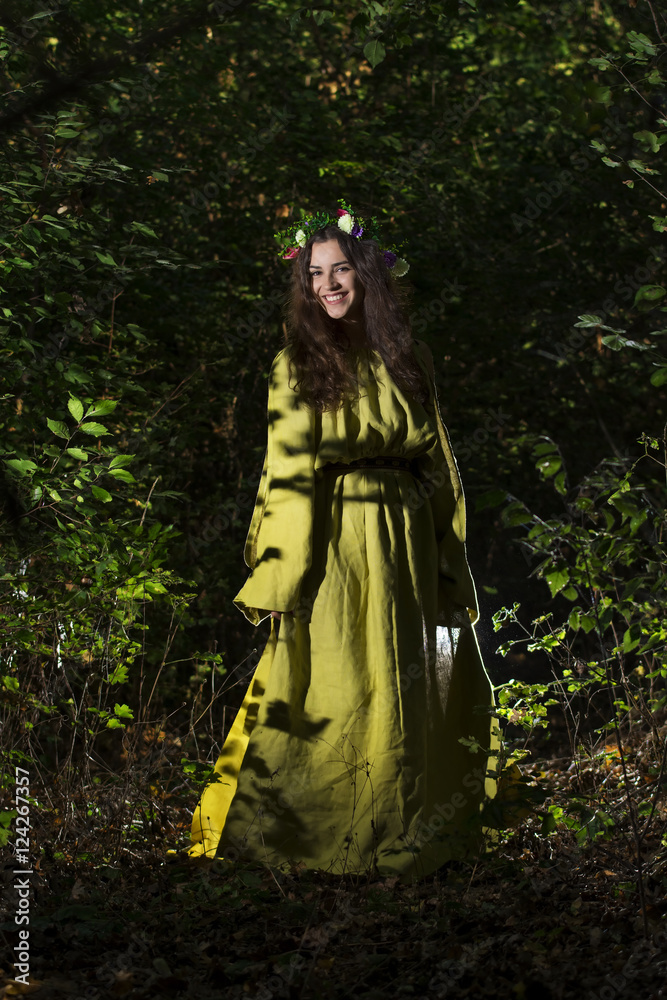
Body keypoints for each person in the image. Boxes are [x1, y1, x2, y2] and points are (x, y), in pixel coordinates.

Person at [188, 201, 498, 878]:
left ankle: (407, 822)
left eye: (339, 271)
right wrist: (279, 576)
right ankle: (305, 834)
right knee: (332, 681)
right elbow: (286, 477)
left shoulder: (408, 357)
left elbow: (440, 466)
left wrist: (450, 566)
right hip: (333, 545)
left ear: (367, 277)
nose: (326, 285)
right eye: (314, 275)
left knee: (412, 683)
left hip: (408, 540)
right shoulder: (294, 365)